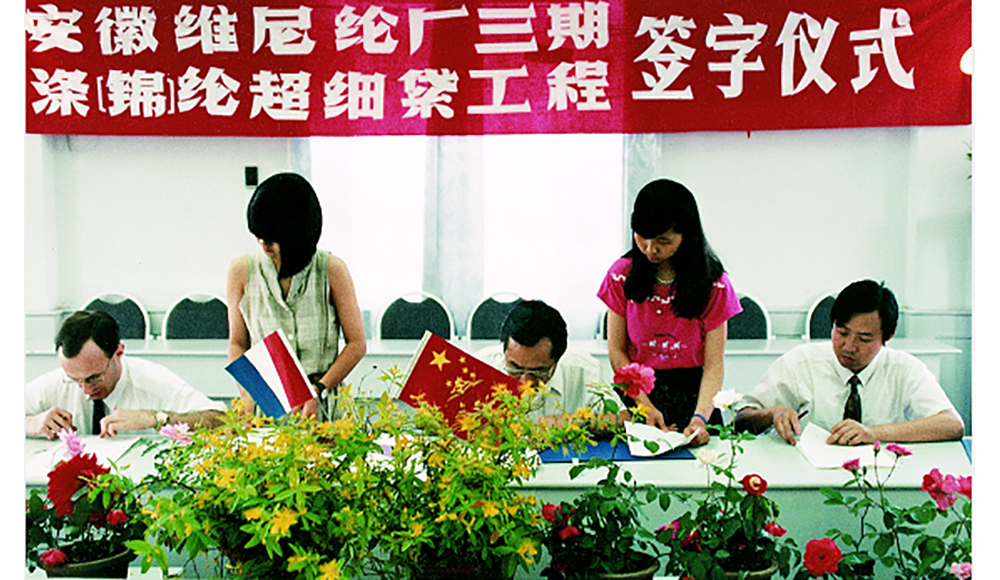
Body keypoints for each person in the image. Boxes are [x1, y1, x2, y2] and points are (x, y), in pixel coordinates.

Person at [597, 179, 742, 447]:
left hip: (696, 397)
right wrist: (643, 406)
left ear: (686, 234)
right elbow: (617, 352)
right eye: (642, 237)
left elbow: (713, 364)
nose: (650, 249)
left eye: (663, 241)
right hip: (636, 394)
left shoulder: (714, 284)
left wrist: (700, 418)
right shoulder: (621, 275)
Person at [735, 280, 965, 446]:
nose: (848, 346)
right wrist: (772, 413)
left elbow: (952, 425)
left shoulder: (904, 369)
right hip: (807, 476)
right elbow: (741, 421)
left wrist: (873, 433)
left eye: (864, 339)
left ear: (888, 337)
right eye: (842, 332)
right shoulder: (800, 362)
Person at [226, 172, 366, 420]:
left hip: (323, 406)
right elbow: (237, 344)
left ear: (296, 236)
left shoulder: (332, 269)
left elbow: (356, 344)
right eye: (259, 237)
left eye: (271, 239)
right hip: (266, 404)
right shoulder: (241, 271)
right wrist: (248, 394)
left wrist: (320, 388)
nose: (263, 244)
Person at [26, 310, 226, 438]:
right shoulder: (55, 383)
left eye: (94, 378)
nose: (85, 390)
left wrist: (157, 419)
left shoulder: (152, 381)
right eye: (75, 380)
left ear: (119, 353)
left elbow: (224, 421)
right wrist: (31, 422)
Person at [476, 300, 623, 429]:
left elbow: (625, 419)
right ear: (505, 351)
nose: (525, 382)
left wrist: (573, 421)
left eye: (538, 372)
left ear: (558, 359)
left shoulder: (584, 371)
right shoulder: (478, 368)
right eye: (515, 368)